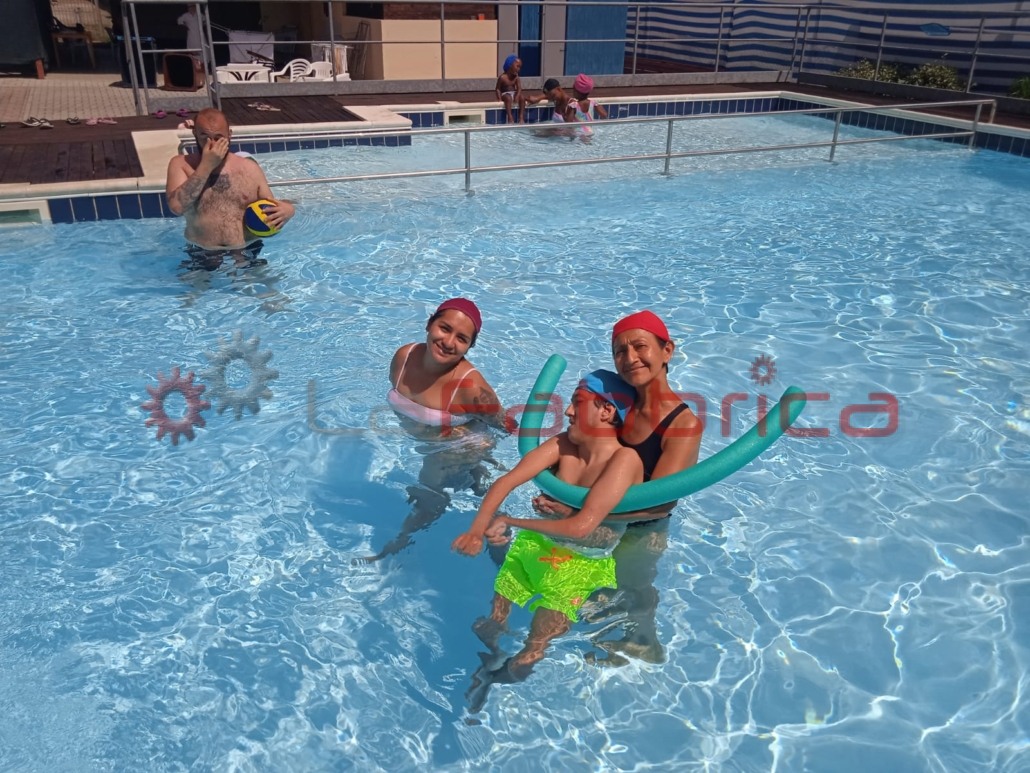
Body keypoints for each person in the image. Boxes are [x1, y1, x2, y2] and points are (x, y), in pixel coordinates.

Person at [527, 310, 702, 665]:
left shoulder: (682, 424)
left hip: (642, 527)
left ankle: (645, 643)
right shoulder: (619, 402)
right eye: (620, 351)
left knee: (632, 587)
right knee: (591, 585)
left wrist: (580, 512)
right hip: (598, 514)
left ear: (667, 351)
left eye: (640, 346)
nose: (630, 357)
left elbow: (660, 504)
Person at [453, 370, 642, 694]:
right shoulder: (563, 444)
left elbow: (582, 528)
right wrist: (476, 529)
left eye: (577, 403)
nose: (567, 411)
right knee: (493, 622)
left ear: (606, 411)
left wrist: (512, 521)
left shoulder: (624, 459)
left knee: (536, 642)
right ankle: (489, 658)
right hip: (540, 543)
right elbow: (506, 482)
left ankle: (499, 681)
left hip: (584, 561)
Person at [359, 298, 509, 562]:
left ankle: (400, 544)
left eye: (461, 339)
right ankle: (479, 481)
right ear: (429, 324)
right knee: (473, 486)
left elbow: (505, 425)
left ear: (470, 347)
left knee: (428, 497)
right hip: (430, 442)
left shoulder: (471, 387)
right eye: (444, 328)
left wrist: (469, 447)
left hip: (455, 446)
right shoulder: (404, 357)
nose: (449, 342)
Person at [165, 108, 296, 268]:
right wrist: (206, 166)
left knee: (267, 284)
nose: (212, 144)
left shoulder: (249, 168)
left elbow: (269, 207)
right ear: (195, 134)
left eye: (218, 138)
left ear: (229, 135)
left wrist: (288, 210)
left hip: (247, 250)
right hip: (202, 251)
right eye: (204, 137)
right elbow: (177, 207)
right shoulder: (181, 164)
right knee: (191, 285)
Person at [567, 73, 608, 140]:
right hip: (590, 132)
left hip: (578, 133)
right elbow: (604, 115)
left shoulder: (573, 106)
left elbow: (569, 123)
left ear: (577, 92)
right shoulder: (593, 103)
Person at [495, 55, 528, 124]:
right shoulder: (502, 77)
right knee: (508, 98)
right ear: (510, 65)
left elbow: (519, 88)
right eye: (517, 66)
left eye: (520, 67)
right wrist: (499, 98)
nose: (518, 69)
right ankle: (510, 117)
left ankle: (521, 116)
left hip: (513, 93)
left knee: (522, 97)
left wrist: (517, 96)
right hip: (505, 94)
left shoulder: (516, 77)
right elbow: (498, 89)